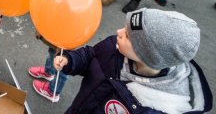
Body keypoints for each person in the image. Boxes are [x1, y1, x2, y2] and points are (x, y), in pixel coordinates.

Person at [53, 8, 213, 113]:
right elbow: (91, 55)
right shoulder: (112, 46)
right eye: (125, 27)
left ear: (148, 55)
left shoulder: (163, 106)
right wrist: (70, 60)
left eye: (128, 36)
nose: (119, 32)